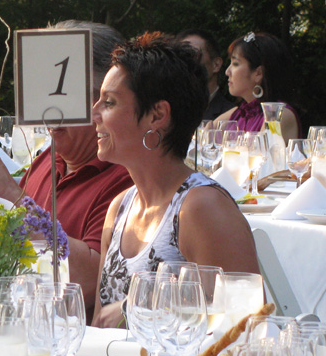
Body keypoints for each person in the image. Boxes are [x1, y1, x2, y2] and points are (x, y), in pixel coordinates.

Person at [0, 21, 134, 313]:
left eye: (64, 90)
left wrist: (14, 197)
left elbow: (91, 282)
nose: (48, 107)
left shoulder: (124, 176)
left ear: (105, 99)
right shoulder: (48, 159)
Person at [91, 37, 260, 328]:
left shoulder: (202, 209)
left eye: (109, 102)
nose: (94, 114)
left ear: (157, 115)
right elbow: (98, 326)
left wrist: (136, 307)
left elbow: (245, 328)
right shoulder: (119, 208)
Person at [214, 31, 302, 141]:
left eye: (235, 64)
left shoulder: (279, 115)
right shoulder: (237, 114)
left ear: (258, 73)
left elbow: (259, 154)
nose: (227, 71)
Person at [175, 29, 233, 120]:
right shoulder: (170, 112)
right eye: (180, 56)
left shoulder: (232, 115)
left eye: (193, 54)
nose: (186, 62)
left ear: (216, 65)